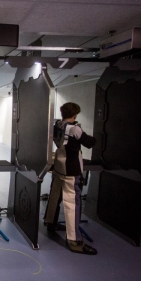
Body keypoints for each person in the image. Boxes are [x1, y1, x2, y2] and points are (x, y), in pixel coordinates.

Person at [44, 102, 97, 255]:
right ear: (75, 114)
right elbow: (89, 142)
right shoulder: (74, 128)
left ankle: (51, 222)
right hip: (71, 169)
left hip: (58, 166)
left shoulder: (57, 125)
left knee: (55, 196)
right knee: (72, 202)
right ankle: (74, 241)